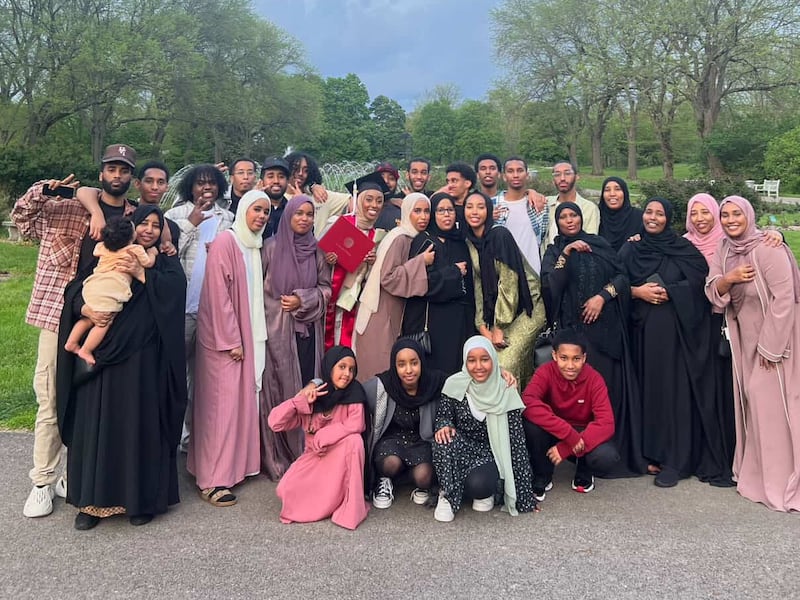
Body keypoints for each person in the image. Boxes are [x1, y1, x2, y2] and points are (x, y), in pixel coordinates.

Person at [12, 144, 137, 518]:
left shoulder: (131, 218)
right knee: (50, 396)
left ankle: (75, 474)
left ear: (130, 177)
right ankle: (42, 480)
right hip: (59, 315)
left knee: (90, 400)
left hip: (104, 320)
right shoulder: (68, 206)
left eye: (124, 170)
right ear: (101, 173)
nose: (117, 175)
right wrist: (46, 189)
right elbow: (23, 219)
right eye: (111, 168)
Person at [56, 204, 187, 529]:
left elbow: (176, 292)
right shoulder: (113, 249)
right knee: (95, 426)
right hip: (100, 360)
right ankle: (90, 502)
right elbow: (75, 290)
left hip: (143, 362)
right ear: (132, 224)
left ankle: (140, 500)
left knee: (139, 426)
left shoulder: (165, 259)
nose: (149, 230)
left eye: (156, 226)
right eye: (144, 223)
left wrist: (144, 276)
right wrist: (86, 307)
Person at [619, 197, 732, 488]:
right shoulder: (631, 248)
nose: (653, 218)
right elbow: (614, 282)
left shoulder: (684, 249)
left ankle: (675, 459)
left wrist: (671, 291)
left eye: (659, 213)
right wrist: (636, 292)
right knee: (647, 393)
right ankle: (647, 453)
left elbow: (699, 284)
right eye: (648, 212)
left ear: (669, 218)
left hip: (676, 339)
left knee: (672, 396)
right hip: (639, 337)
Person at [705, 195, 800, 512]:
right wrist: (729, 279)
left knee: (771, 404)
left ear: (748, 215)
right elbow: (713, 291)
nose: (731, 220)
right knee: (753, 405)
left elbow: (785, 298)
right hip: (744, 337)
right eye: (725, 215)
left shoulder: (769, 248)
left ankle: (782, 478)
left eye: (736, 214)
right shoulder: (725, 250)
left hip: (776, 339)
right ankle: (758, 475)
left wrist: (772, 348)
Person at [540, 202, 645, 478]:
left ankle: (600, 453)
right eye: (563, 216)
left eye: (573, 215)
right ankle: (575, 453)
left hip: (605, 335)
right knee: (574, 401)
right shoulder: (554, 251)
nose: (569, 220)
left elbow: (622, 277)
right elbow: (552, 287)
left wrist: (603, 296)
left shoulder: (599, 243)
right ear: (557, 221)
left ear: (581, 217)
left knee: (602, 397)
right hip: (573, 337)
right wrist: (566, 252)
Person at [187, 190, 270, 507]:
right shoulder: (226, 241)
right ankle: (212, 479)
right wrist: (231, 339)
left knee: (238, 405)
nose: (261, 216)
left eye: (265, 212)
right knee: (219, 408)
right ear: (244, 210)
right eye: (256, 210)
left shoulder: (253, 245)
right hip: (226, 341)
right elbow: (217, 296)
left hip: (244, 336)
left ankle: (233, 468)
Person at [260, 195, 332, 480]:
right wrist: (282, 307)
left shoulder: (317, 251)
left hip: (307, 333)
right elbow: (259, 293)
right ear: (288, 216)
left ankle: (305, 451)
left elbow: (326, 289)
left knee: (307, 388)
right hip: (277, 335)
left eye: (309, 214)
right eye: (298, 214)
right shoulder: (270, 248)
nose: (304, 219)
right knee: (279, 390)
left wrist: (302, 300)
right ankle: (277, 455)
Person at [164, 164, 234, 452]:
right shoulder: (174, 215)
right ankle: (172, 431)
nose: (207, 188)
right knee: (174, 372)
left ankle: (192, 437)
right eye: (200, 183)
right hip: (181, 308)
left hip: (211, 309)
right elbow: (168, 254)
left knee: (202, 378)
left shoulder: (227, 218)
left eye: (212, 183)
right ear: (190, 187)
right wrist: (192, 223)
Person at [432, 336, 536, 522]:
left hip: (492, 454)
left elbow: (516, 444)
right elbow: (443, 416)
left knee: (479, 485)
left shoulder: (505, 388)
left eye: (485, 359)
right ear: (465, 361)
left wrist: (525, 498)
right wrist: (444, 425)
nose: (478, 366)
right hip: (463, 448)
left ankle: (481, 490)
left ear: (494, 361)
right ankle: (447, 496)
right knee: (442, 438)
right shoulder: (455, 384)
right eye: (471, 360)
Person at [268, 346, 369, 530]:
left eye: (351, 369)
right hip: (315, 458)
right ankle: (329, 502)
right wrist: (298, 401)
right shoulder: (314, 396)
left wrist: (325, 435)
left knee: (355, 441)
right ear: (330, 367)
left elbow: (357, 424)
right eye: (342, 367)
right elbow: (275, 423)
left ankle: (350, 506)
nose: (347, 373)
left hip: (340, 457)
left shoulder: (354, 393)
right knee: (284, 490)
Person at [522, 329, 620, 499]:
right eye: (563, 358)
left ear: (584, 358)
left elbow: (606, 422)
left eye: (576, 359)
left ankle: (584, 470)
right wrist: (568, 434)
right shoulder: (545, 372)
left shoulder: (594, 379)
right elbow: (528, 401)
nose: (569, 365)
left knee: (606, 456)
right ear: (554, 355)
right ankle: (542, 474)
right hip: (555, 429)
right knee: (530, 423)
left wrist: (567, 446)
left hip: (582, 433)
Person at [464, 191, 546, 388]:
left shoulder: (499, 236)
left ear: (489, 211)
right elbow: (478, 285)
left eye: (481, 207)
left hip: (527, 309)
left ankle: (514, 415)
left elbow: (509, 285)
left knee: (504, 364)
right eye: (469, 207)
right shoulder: (470, 242)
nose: (474, 212)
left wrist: (499, 327)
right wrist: (482, 325)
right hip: (496, 314)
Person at [353, 193, 432, 382]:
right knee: (378, 371)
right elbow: (387, 277)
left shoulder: (407, 236)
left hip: (386, 312)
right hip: (380, 315)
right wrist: (421, 261)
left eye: (427, 211)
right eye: (417, 211)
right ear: (406, 212)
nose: (423, 217)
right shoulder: (400, 238)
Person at [363, 339, 447, 509]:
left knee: (424, 477)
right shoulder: (384, 385)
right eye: (401, 364)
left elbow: (466, 382)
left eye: (414, 363)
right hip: (392, 441)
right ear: (394, 366)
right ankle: (385, 479)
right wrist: (315, 384)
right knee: (390, 464)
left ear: (422, 362)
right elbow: (349, 389)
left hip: (421, 442)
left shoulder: (434, 382)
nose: (408, 370)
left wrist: (501, 373)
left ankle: (409, 480)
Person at [64, 217, 157, 365]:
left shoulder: (101, 247)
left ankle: (71, 342)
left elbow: (96, 251)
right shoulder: (134, 249)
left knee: (89, 319)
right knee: (104, 322)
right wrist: (153, 253)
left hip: (92, 286)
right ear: (132, 236)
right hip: (110, 290)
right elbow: (148, 263)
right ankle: (86, 350)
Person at [401, 192, 473, 375]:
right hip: (433, 323)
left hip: (459, 321)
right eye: (441, 210)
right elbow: (423, 283)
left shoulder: (460, 242)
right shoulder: (424, 241)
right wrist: (454, 273)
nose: (447, 214)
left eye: (450, 210)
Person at [322, 180, 383, 350]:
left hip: (353, 301)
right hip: (330, 295)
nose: (374, 205)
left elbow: (374, 277)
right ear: (359, 199)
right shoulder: (339, 223)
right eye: (369, 199)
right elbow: (317, 254)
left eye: (379, 201)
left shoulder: (376, 235)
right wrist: (327, 258)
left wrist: (372, 263)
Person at [493, 156, 544, 274]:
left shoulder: (539, 204)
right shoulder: (491, 205)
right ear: (504, 176)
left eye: (520, 170)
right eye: (510, 171)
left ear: (527, 174)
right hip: (503, 274)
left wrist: (532, 192)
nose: (515, 175)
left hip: (534, 273)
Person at [284, 150, 351, 236]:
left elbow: (354, 200)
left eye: (306, 170)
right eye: (296, 169)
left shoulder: (320, 196)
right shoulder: (278, 198)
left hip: (316, 248)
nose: (300, 173)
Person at [543, 161, 599, 251]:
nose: (562, 178)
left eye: (567, 173)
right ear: (553, 180)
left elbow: (591, 241)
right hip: (548, 261)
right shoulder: (545, 203)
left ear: (577, 177)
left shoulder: (589, 208)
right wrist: (529, 192)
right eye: (557, 174)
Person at [598, 176, 642, 252]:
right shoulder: (596, 215)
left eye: (617, 189)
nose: (612, 194)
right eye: (607, 190)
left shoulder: (638, 216)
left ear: (625, 193)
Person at [259, 156, 290, 238]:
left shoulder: (291, 210)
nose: (276, 181)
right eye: (270, 176)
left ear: (288, 181)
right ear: (262, 181)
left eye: (281, 177)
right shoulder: (253, 209)